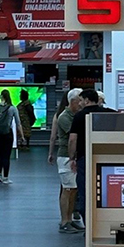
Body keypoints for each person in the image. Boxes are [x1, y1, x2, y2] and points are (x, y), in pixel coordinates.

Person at [68, 89, 116, 220]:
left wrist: (72, 158)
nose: (79, 103)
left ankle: (88, 225)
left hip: (85, 158)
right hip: (107, 158)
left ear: (87, 100)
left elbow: (73, 139)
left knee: (85, 191)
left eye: (81, 100)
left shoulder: (79, 116)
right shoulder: (110, 114)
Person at [48, 88, 83, 233]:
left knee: (73, 189)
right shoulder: (64, 117)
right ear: (72, 101)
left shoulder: (74, 115)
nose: (81, 104)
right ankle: (64, 221)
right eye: (79, 101)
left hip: (73, 156)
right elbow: (72, 136)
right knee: (67, 189)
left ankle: (69, 219)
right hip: (66, 156)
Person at [0, 89, 21, 184]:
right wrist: (22, 136)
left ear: (1, 97)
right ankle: (6, 177)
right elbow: (18, 123)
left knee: (0, 154)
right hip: (7, 134)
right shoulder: (12, 108)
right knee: (6, 156)